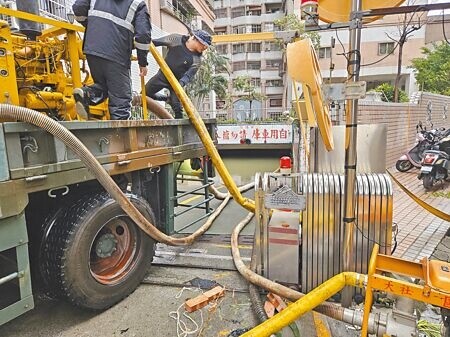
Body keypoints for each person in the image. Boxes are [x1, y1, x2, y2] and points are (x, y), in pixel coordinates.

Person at [72, 0, 152, 120]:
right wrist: (142, 62)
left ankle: (87, 94)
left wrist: (94, 26)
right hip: (117, 53)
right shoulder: (137, 4)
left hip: (92, 49)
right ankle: (121, 136)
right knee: (121, 100)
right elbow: (143, 36)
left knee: (104, 86)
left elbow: (78, 8)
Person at [145, 30, 212, 119]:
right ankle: (166, 99)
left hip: (176, 83)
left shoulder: (197, 60)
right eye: (204, 44)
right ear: (196, 39)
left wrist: (179, 85)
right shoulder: (175, 39)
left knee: (178, 110)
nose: (205, 48)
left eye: (206, 46)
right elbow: (154, 42)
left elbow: (188, 76)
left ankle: (178, 129)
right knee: (144, 94)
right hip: (162, 76)